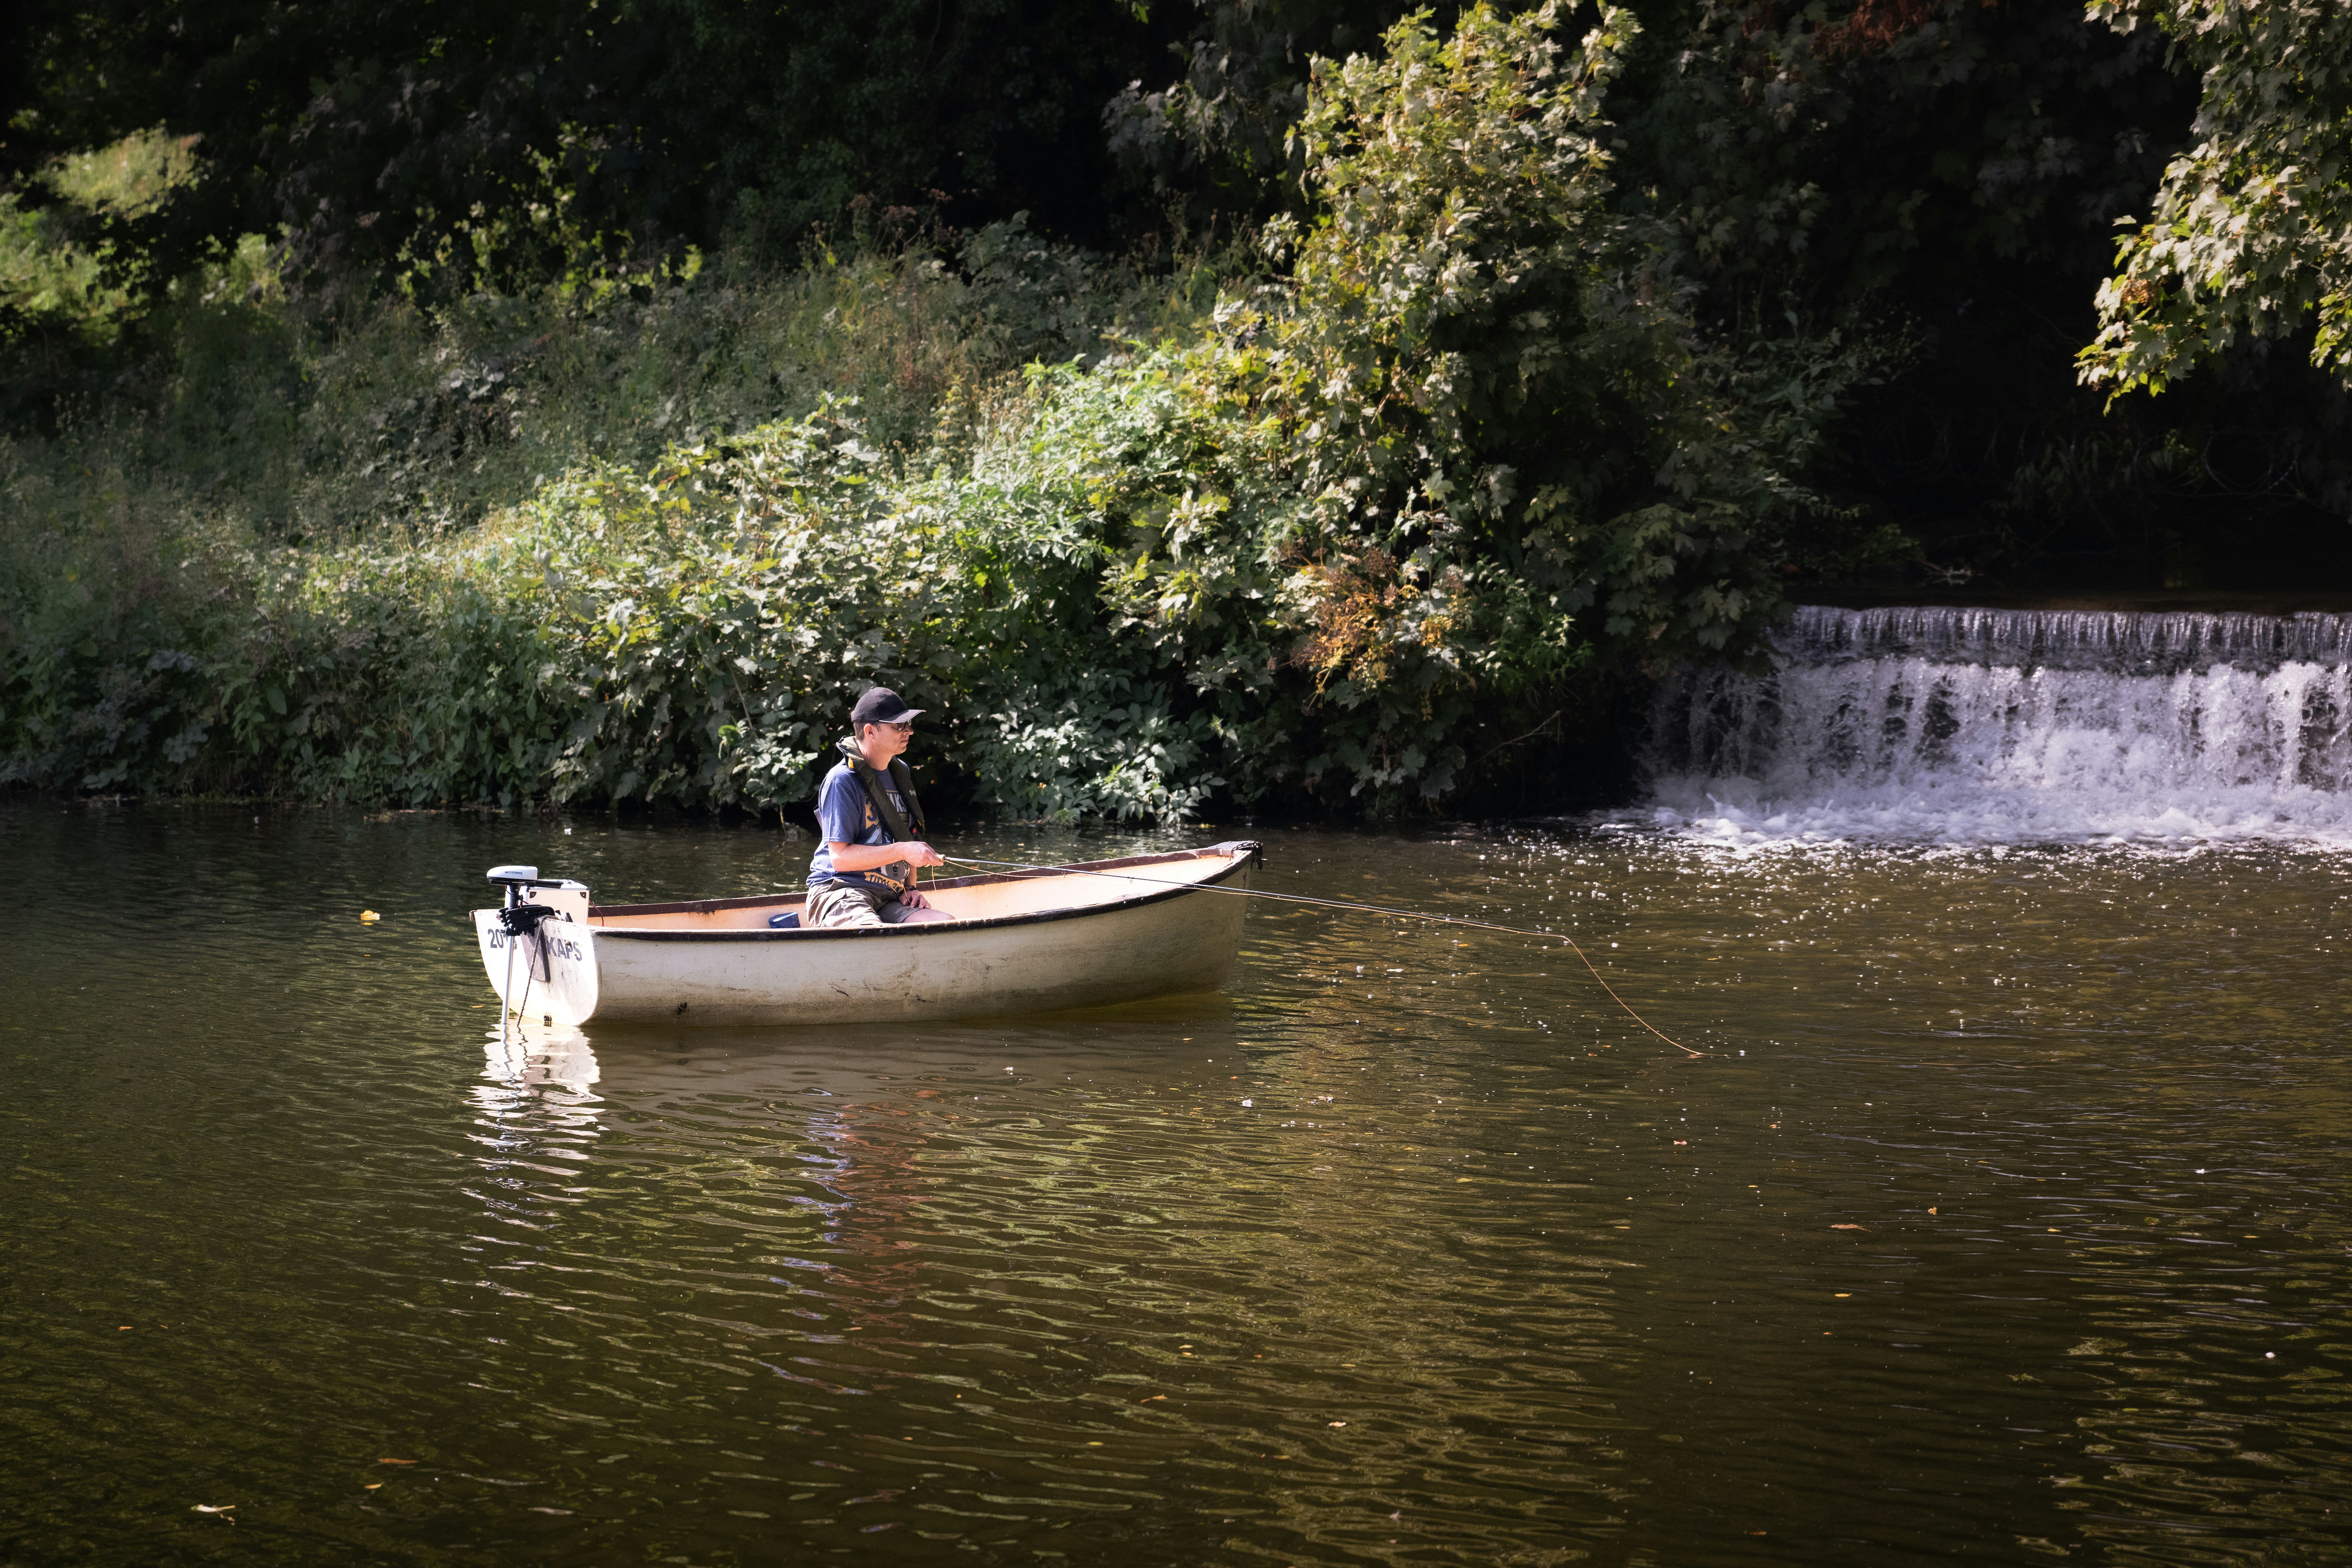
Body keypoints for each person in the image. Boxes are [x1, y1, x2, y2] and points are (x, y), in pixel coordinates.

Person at [804, 687, 954, 928]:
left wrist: (910, 887)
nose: (909, 731)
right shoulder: (842, 780)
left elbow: (908, 835)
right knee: (873, 934)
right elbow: (840, 858)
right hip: (841, 891)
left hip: (889, 895)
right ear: (870, 731)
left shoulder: (900, 772)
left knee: (945, 924)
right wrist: (904, 850)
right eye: (899, 725)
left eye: (909, 723)